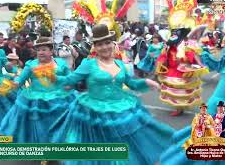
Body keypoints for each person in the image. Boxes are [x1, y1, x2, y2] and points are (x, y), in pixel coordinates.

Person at [50, 24, 174, 165]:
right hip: (96, 113)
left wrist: (147, 82)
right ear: (95, 47)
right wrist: (53, 76)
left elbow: (131, 84)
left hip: (120, 109)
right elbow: (70, 80)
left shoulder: (120, 64)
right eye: (100, 44)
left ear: (112, 43)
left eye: (107, 43)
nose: (105, 47)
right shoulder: (88, 64)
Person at [0, 37, 76, 143]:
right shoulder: (31, 64)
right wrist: (14, 83)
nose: (40, 52)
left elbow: (70, 78)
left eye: (44, 49)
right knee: (40, 126)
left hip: (59, 99)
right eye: (38, 50)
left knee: (58, 125)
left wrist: (69, 84)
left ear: (51, 51)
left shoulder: (60, 63)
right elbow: (21, 79)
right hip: (36, 100)